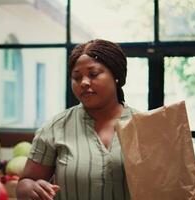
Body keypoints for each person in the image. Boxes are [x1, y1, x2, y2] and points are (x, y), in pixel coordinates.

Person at [16, 39, 136, 200]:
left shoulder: (144, 127)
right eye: (76, 77)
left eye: (93, 74)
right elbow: (25, 183)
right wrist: (31, 188)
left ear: (116, 76)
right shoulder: (55, 128)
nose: (84, 83)